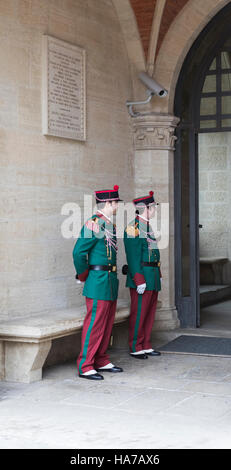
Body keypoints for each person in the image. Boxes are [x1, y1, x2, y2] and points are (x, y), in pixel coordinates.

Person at [73, 185, 123, 380]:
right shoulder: (93, 223)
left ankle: (101, 359)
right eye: (116, 203)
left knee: (107, 323)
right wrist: (83, 275)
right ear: (108, 203)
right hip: (97, 280)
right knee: (94, 324)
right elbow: (78, 252)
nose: (118, 205)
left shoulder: (109, 224)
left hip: (109, 280)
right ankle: (85, 364)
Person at [123, 191, 161, 359]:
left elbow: (153, 253)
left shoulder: (147, 226)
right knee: (139, 313)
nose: (154, 210)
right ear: (146, 208)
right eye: (153, 207)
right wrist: (139, 279)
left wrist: (158, 273)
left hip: (151, 274)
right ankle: (135, 345)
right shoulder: (133, 228)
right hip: (142, 277)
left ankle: (145, 343)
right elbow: (133, 257)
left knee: (149, 312)